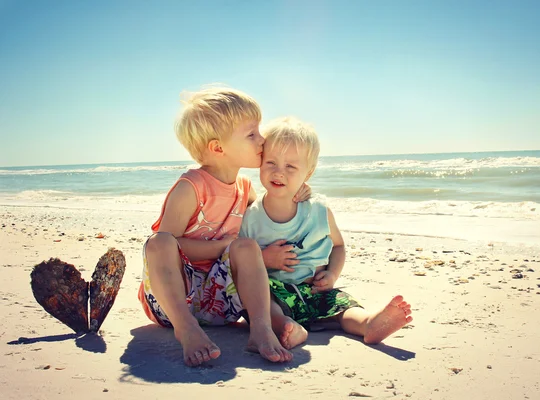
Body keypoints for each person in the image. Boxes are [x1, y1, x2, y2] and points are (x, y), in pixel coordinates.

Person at [137, 87, 309, 367]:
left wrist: (295, 190)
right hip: (173, 303)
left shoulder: (244, 188)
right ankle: (187, 329)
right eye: (251, 133)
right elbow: (171, 249)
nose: (262, 139)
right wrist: (225, 247)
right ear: (218, 148)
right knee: (159, 242)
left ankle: (261, 329)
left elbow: (269, 212)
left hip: (223, 302)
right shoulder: (190, 187)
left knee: (246, 246)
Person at [240, 117, 413, 349]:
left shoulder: (318, 211)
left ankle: (368, 324)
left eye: (291, 166)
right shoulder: (251, 216)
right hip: (276, 294)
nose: (279, 172)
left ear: (308, 174)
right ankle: (287, 327)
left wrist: (331, 275)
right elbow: (240, 262)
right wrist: (264, 258)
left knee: (342, 305)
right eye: (270, 162)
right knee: (257, 301)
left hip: (315, 291)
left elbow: (338, 246)